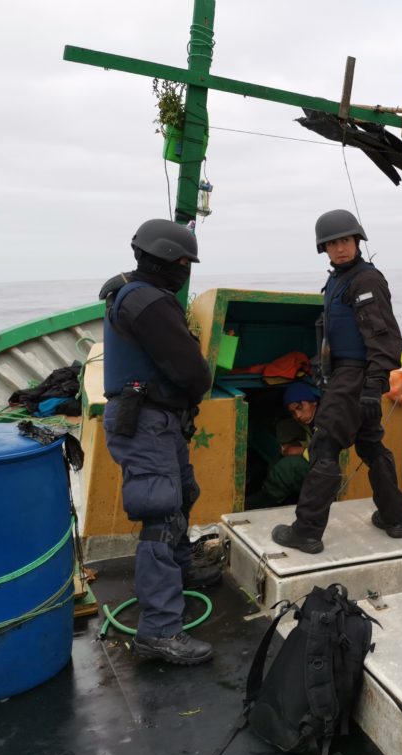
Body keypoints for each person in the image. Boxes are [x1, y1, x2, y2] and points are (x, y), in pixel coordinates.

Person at [100, 218, 218, 666]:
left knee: (182, 494)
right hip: (147, 420)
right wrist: (195, 386)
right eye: (184, 261)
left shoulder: (131, 292)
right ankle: (160, 630)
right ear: (169, 259)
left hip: (158, 419)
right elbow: (191, 370)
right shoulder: (147, 301)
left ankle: (182, 570)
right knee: (160, 514)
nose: (185, 270)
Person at [271, 209, 402, 554]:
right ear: (324, 249)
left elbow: (385, 339)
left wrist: (372, 387)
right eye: (332, 244)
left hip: (355, 377)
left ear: (357, 241)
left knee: (324, 447)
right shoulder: (339, 280)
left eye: (345, 241)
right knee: (371, 445)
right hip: (347, 376)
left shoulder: (366, 281)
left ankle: (307, 531)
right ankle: (394, 518)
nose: (339, 249)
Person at [244, 382, 315, 510]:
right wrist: (295, 446)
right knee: (279, 458)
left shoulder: (326, 419)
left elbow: (327, 452)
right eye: (293, 413)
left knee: (288, 467)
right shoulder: (308, 420)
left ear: (313, 403)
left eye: (300, 407)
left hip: (327, 468)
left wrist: (300, 450)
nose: (298, 416)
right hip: (314, 460)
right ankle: (280, 498)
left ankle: (264, 501)